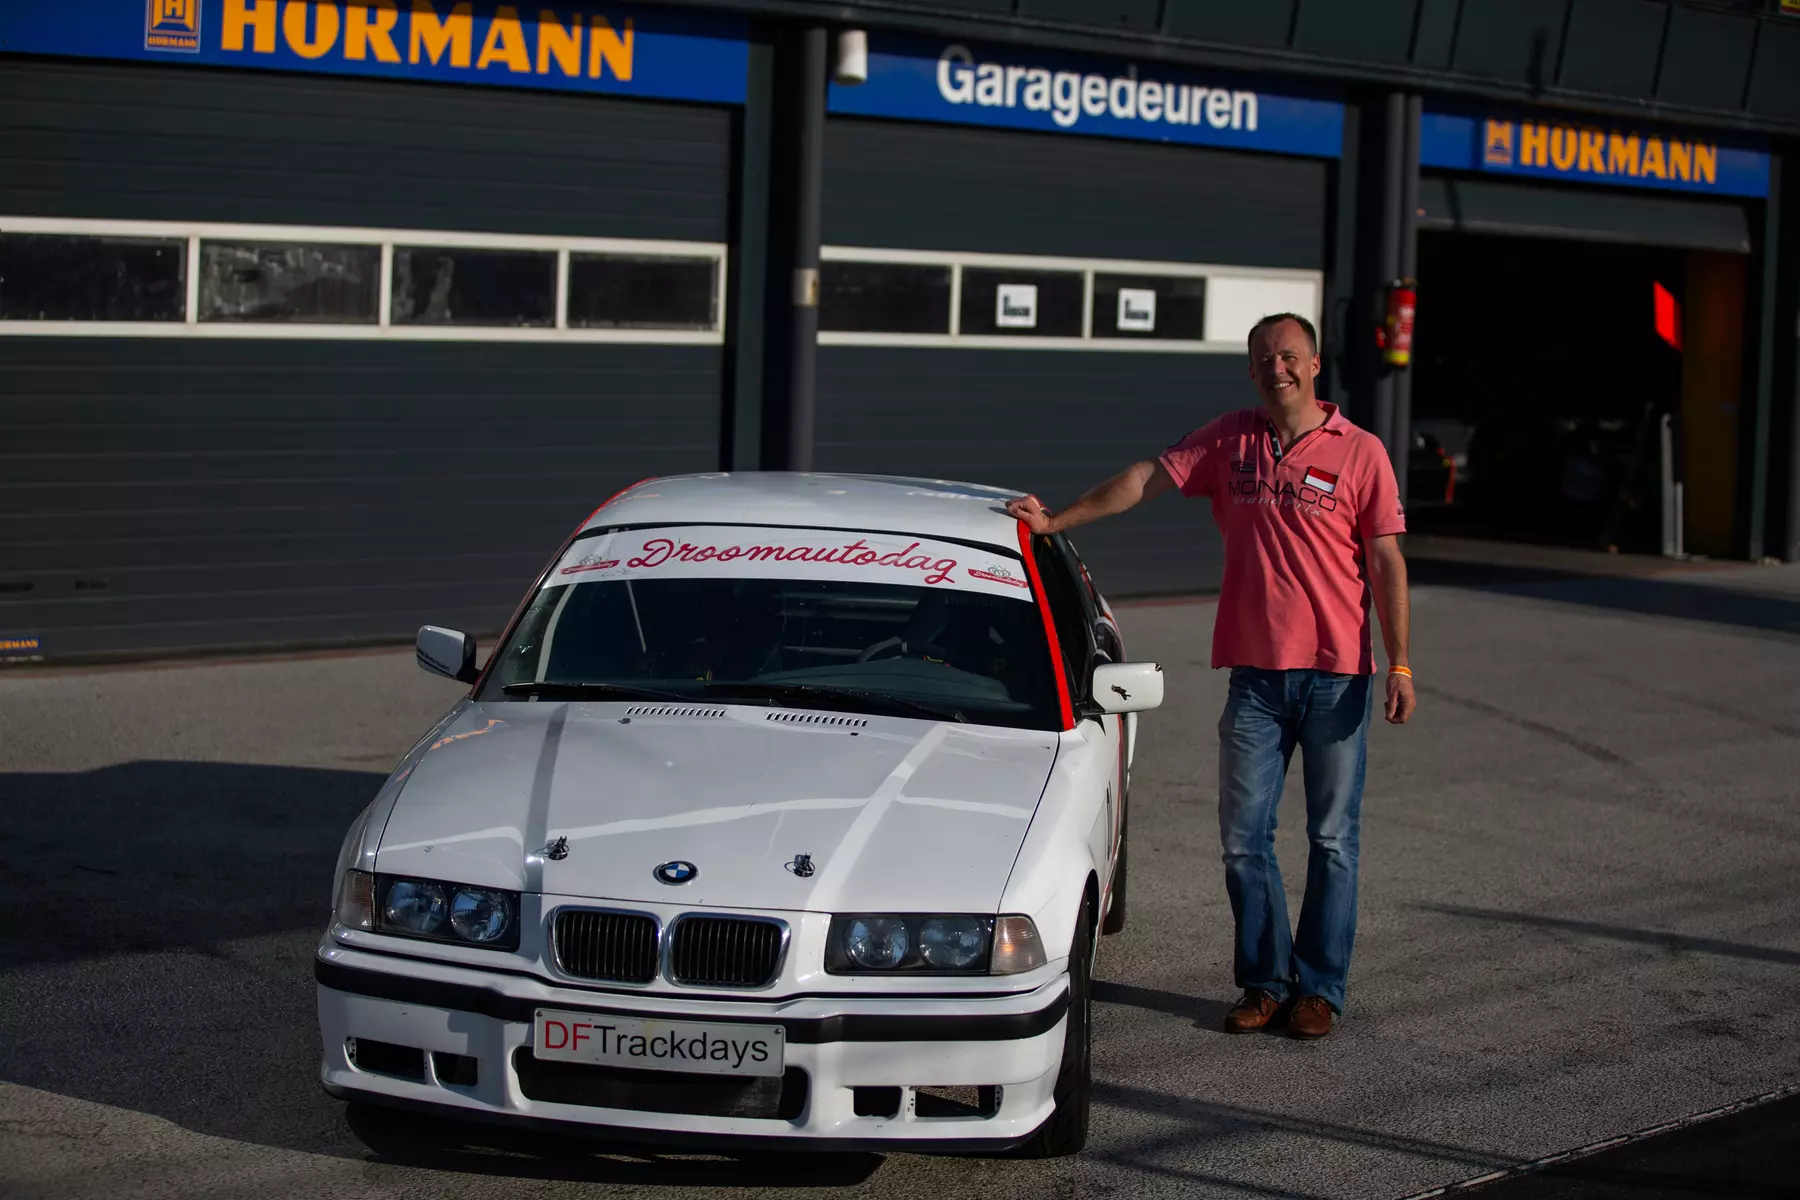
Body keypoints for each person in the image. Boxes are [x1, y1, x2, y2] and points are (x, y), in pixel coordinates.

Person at [1006, 312, 1414, 1041]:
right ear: (1252, 369)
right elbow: (1144, 479)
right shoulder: (1231, 439)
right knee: (1242, 839)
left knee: (1332, 840)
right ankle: (1265, 981)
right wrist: (1056, 522)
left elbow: (1386, 561)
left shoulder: (1362, 453)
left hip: (1337, 677)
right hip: (1256, 679)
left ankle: (1318, 990)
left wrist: (1401, 661)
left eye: (1289, 356)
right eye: (1263, 358)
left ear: (1315, 365)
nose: (1276, 367)